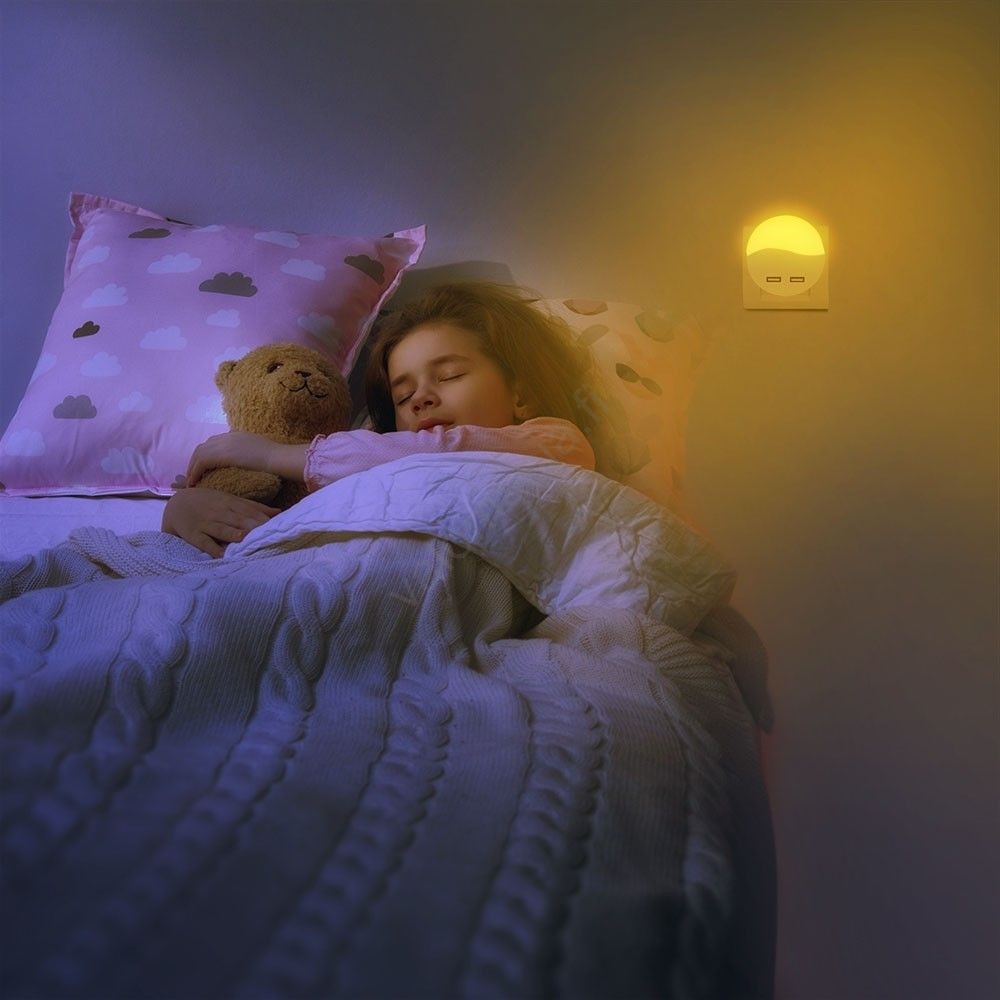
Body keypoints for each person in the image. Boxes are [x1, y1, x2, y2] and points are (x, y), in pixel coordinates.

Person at [163, 281, 613, 556]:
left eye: (449, 375)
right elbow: (293, 527)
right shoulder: (375, 466)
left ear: (522, 395)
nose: (421, 399)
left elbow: (437, 451)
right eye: (403, 395)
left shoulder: (558, 444)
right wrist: (182, 510)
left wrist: (272, 455)